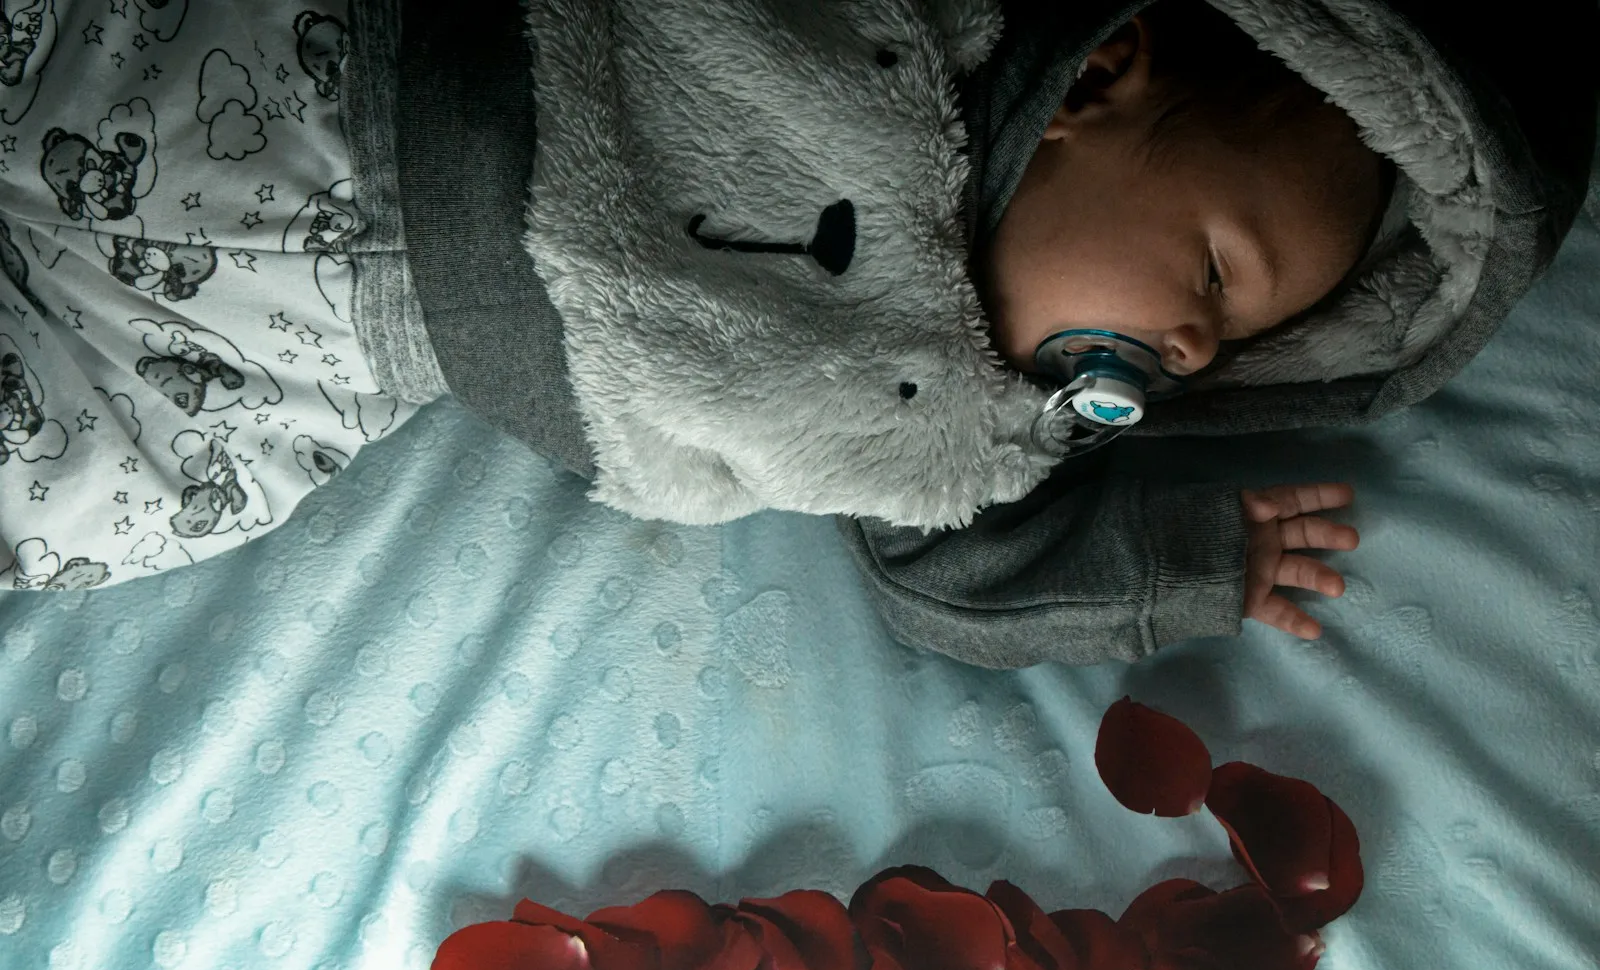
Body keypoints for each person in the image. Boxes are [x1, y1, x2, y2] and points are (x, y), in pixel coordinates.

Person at [0, 0, 1595, 671]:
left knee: (78, 491)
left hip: (295, 359)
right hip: (326, 63)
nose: (1190, 341)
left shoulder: (973, 426)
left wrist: (1183, 568)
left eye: (1224, 345)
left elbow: (956, 585)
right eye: (1215, 265)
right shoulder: (935, 23)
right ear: (1102, 84)